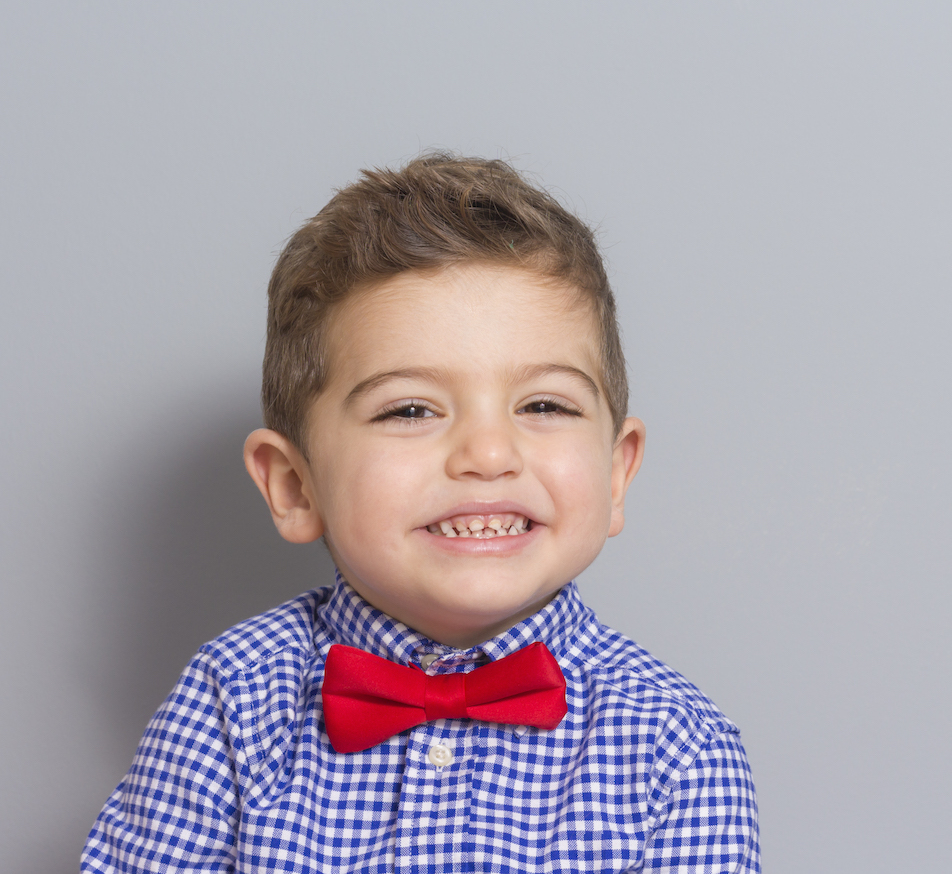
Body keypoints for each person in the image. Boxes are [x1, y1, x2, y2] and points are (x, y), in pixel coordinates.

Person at [81, 154, 761, 872]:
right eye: (409, 409)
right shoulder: (230, 703)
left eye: (544, 405)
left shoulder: (680, 749)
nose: (489, 452)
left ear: (617, 472)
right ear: (294, 485)